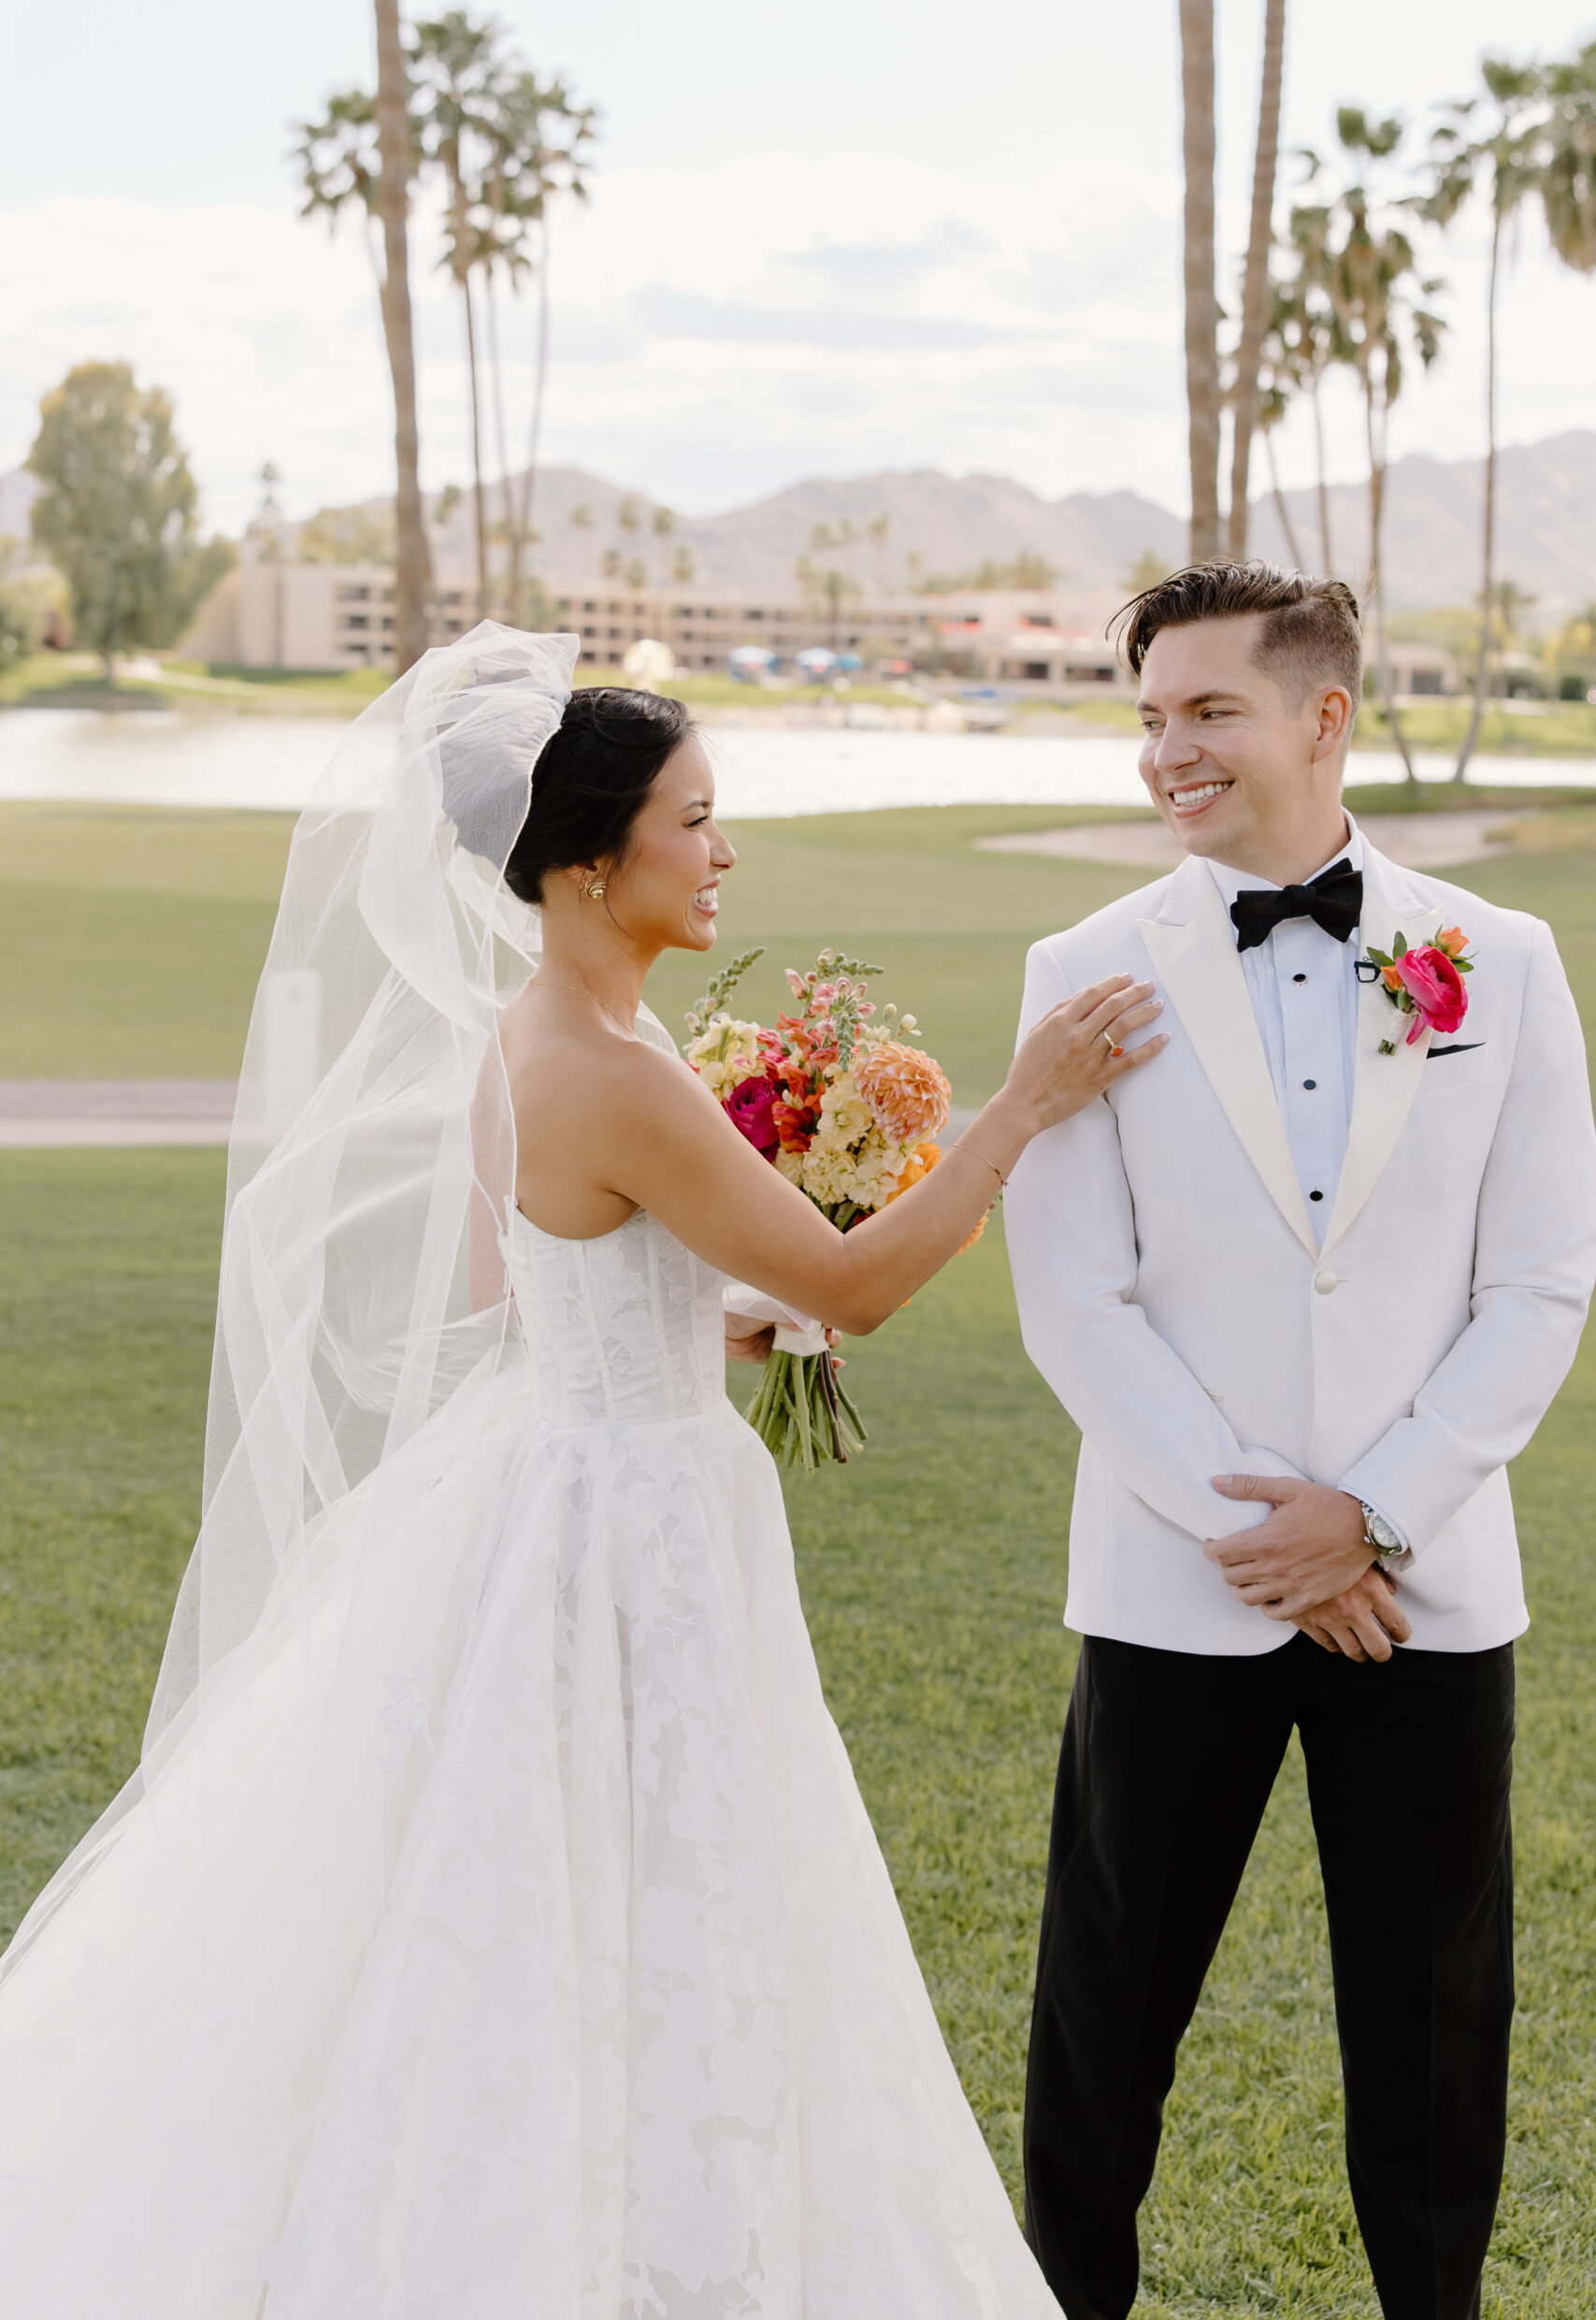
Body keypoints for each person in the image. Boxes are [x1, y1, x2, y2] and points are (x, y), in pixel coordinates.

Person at [0, 623, 1166, 2317]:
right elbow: (857, 1287)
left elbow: (522, 1299)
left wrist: (704, 1327)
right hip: (635, 1527)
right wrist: (1022, 1105)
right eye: (694, 820)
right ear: (586, 857)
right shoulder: (616, 1069)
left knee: (533, 1889)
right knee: (664, 1879)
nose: (722, 852)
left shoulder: (527, 1039)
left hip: (550, 1480)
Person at [1006, 560, 1596, 2320]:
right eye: (1148, 721)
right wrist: (1264, 1530)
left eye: (1206, 713)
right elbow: (1076, 1302)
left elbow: (1545, 1281)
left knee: (1432, 2031)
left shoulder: (1502, 958)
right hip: (1177, 1586)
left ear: (1323, 717)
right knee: (1103, 2020)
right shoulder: (1084, 968)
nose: (1166, 757)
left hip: (1425, 1598)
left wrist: (1381, 1517)